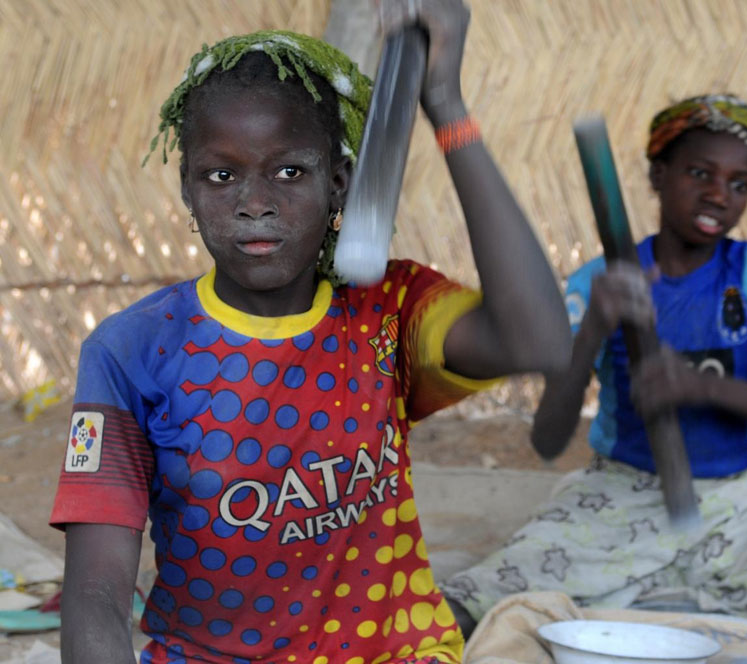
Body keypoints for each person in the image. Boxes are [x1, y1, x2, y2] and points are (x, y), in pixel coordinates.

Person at [50, 2, 570, 663]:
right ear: (187, 190)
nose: (254, 201)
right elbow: (95, 592)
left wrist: (446, 103)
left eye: (290, 171)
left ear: (340, 186)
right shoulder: (134, 351)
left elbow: (539, 339)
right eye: (221, 174)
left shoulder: (390, 312)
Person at [442, 95, 747, 663]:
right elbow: (548, 437)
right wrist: (596, 328)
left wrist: (703, 387)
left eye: (740, 183)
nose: (720, 194)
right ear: (658, 174)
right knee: (473, 601)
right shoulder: (599, 282)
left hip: (735, 507)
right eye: (700, 173)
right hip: (617, 496)